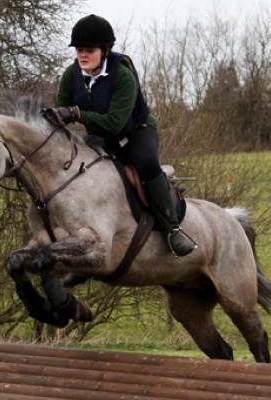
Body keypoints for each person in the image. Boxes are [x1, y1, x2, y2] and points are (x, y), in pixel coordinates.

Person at [54, 14, 197, 257]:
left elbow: (113, 124)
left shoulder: (123, 76)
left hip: (135, 132)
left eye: (89, 50)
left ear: (105, 51)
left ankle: (172, 229)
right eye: (79, 50)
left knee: (146, 163)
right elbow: (61, 112)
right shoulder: (71, 75)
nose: (82, 55)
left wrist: (78, 114)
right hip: (100, 138)